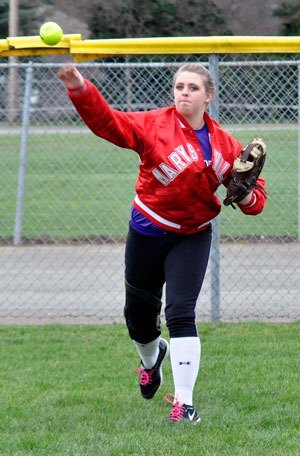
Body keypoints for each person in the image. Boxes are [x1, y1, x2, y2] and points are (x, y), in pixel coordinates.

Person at [58, 63, 267, 424]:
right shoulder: (154, 125)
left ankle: (184, 404)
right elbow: (108, 123)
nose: (184, 92)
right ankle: (152, 359)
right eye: (179, 86)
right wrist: (80, 88)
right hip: (149, 231)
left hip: (193, 235)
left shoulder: (225, 144)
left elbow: (257, 202)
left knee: (181, 313)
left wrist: (246, 195)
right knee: (139, 320)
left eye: (192, 88)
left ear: (208, 96)